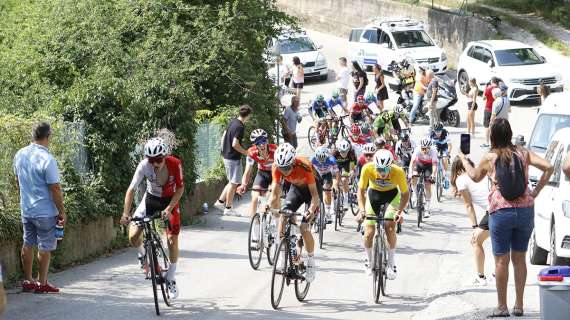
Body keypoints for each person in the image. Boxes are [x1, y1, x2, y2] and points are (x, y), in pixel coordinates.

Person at [459, 118, 553, 318]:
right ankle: (519, 305)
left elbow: (475, 176)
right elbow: (549, 167)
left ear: (493, 135)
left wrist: (464, 160)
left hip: (500, 212)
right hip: (525, 210)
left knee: (501, 261)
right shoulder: (523, 152)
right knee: (519, 259)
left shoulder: (490, 157)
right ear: (509, 134)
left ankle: (502, 307)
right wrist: (535, 191)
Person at [121, 137, 184, 299]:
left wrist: (169, 208)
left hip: (170, 201)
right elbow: (131, 190)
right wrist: (126, 214)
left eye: (158, 159)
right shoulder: (144, 166)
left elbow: (180, 189)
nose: (155, 163)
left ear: (165, 156)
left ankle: (170, 277)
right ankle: (143, 254)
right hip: (151, 199)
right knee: (133, 236)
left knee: (172, 240)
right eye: (151, 160)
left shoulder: (175, 164)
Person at [13, 121, 65, 294]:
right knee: (45, 246)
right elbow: (55, 188)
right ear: (48, 136)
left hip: (26, 209)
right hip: (45, 212)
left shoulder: (20, 154)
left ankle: (28, 280)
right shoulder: (47, 159)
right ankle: (42, 283)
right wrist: (62, 211)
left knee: (27, 243)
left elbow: (17, 181)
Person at [269, 143, 319, 283]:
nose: (284, 171)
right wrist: (270, 207)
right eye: (282, 168)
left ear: (293, 162)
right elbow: (275, 192)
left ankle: (311, 261)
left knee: (304, 227)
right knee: (284, 215)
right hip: (296, 189)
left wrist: (311, 209)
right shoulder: (276, 167)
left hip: (311, 191)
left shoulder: (304, 165)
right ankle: (282, 256)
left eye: (287, 168)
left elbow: (315, 196)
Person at [357, 150, 410, 279]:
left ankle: (391, 263)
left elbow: (405, 194)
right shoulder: (367, 168)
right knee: (369, 232)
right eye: (379, 169)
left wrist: (399, 212)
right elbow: (361, 190)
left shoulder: (398, 172)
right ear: (374, 166)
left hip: (391, 196)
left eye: (385, 170)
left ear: (390, 166)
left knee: (390, 226)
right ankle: (369, 262)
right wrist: (362, 210)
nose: (382, 173)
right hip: (373, 195)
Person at [450, 157, 492, 286]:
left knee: (475, 240)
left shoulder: (460, 179)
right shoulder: (479, 172)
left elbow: (469, 206)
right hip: (502, 207)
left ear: (456, 170)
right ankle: (495, 275)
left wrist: (474, 227)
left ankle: (481, 277)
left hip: (494, 210)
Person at [218, 105, 252, 215]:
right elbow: (235, 144)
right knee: (234, 183)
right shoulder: (240, 127)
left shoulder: (233, 122)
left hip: (226, 155)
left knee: (231, 181)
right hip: (233, 158)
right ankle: (228, 208)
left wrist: (223, 151)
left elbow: (223, 136)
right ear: (248, 115)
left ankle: (220, 202)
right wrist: (246, 152)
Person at [237, 129, 277, 219]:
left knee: (271, 196)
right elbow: (247, 171)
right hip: (262, 173)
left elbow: (281, 169)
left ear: (267, 140)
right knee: (255, 198)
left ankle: (274, 219)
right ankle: (254, 223)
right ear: (254, 144)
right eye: (258, 143)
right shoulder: (251, 152)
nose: (262, 144)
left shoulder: (275, 149)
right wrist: (243, 184)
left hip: (275, 173)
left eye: (263, 141)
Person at [311, 146, 340, 224]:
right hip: (317, 175)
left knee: (327, 189)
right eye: (319, 160)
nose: (321, 162)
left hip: (327, 174)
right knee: (314, 190)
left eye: (323, 160)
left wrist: (336, 184)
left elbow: (337, 173)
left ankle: (327, 212)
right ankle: (315, 209)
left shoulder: (331, 159)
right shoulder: (312, 159)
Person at [409, 138, 438, 217]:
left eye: (426, 149)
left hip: (429, 166)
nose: (424, 150)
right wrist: (410, 172)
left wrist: (433, 175)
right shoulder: (417, 150)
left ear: (429, 148)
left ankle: (427, 209)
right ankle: (415, 195)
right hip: (419, 164)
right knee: (414, 176)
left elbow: (435, 165)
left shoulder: (433, 151)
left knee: (428, 185)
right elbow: (412, 162)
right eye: (423, 148)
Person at [332, 139, 358, 206]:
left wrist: (352, 171)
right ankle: (337, 197)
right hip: (337, 165)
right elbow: (330, 166)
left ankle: (346, 200)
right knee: (335, 180)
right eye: (342, 152)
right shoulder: (334, 153)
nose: (344, 153)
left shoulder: (351, 153)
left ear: (348, 150)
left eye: (346, 152)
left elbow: (352, 166)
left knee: (344, 180)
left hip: (347, 164)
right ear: (339, 150)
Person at [482, 77, 499, 148]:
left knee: (487, 126)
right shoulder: (498, 89)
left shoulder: (488, 88)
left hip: (488, 108)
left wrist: (485, 89)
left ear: (491, 81)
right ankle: (494, 142)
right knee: (495, 126)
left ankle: (487, 142)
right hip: (497, 109)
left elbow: (484, 98)